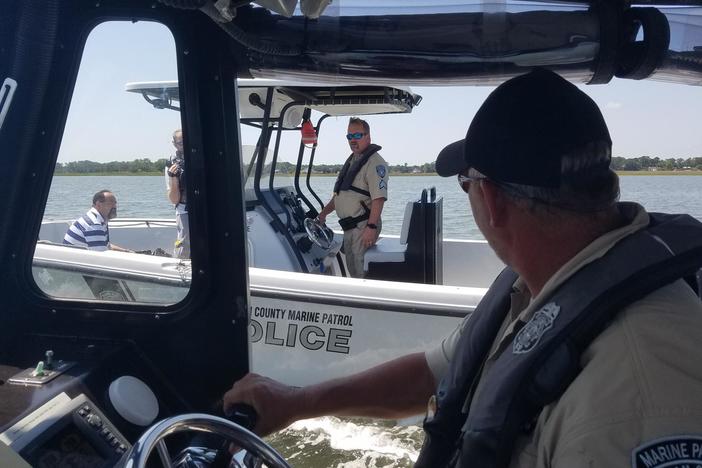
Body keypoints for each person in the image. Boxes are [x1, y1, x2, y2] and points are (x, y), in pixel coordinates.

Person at [223, 69, 702, 467]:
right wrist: (297, 402)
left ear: (490, 199)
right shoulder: (539, 284)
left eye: (466, 185)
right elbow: (435, 374)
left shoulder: (640, 389)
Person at [317, 117, 388, 278]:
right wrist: (323, 214)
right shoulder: (353, 161)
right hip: (350, 229)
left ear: (368, 137)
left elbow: (379, 198)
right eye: (349, 136)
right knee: (353, 269)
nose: (352, 140)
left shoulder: (375, 163)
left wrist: (371, 227)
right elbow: (340, 196)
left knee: (361, 273)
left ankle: (366, 301)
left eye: (357, 135)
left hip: (363, 227)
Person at [63, 190, 131, 252]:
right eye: (111, 203)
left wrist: (127, 251)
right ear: (98, 205)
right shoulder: (94, 224)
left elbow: (106, 246)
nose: (115, 206)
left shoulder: (99, 220)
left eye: (115, 203)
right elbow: (101, 256)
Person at [166, 129, 189, 258]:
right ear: (174, 144)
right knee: (184, 245)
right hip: (184, 209)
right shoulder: (171, 163)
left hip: (205, 208)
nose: (185, 146)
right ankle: (181, 271)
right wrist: (173, 178)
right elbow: (174, 200)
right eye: (181, 143)